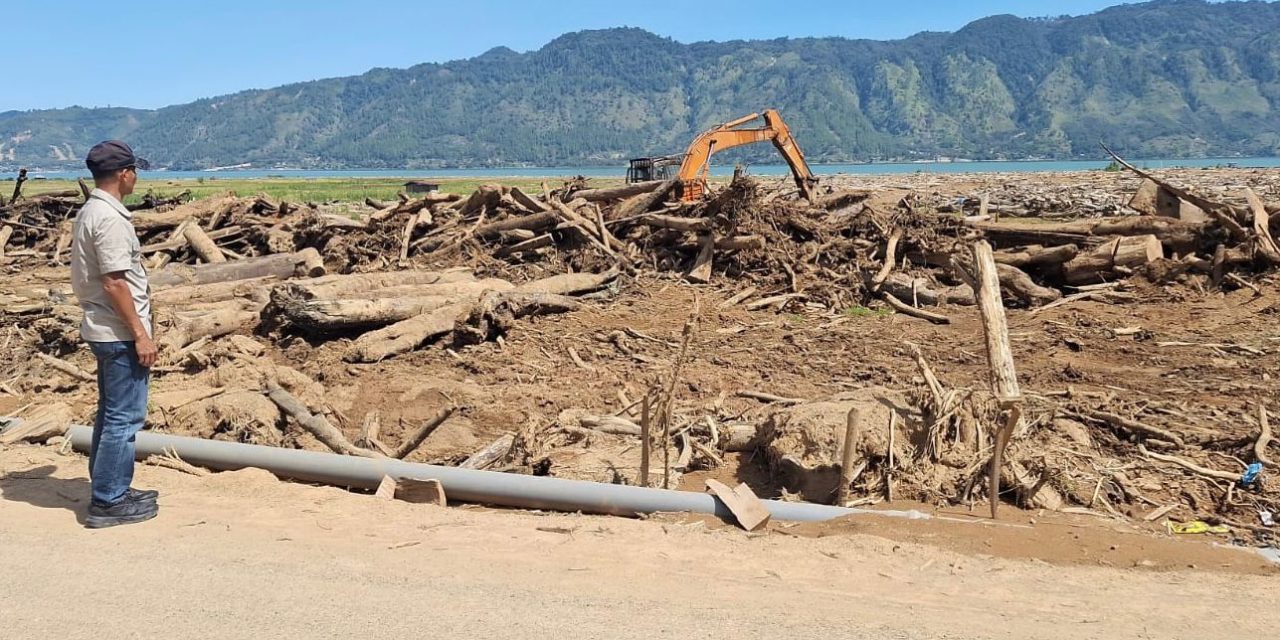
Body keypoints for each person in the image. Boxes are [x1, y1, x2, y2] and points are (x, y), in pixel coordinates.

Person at [70, 140, 160, 528]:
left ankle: (112, 487)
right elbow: (115, 283)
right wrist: (140, 334)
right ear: (124, 174)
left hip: (105, 327)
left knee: (111, 414)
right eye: (134, 171)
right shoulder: (109, 219)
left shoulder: (93, 211)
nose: (136, 177)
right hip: (117, 331)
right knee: (125, 418)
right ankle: (108, 500)